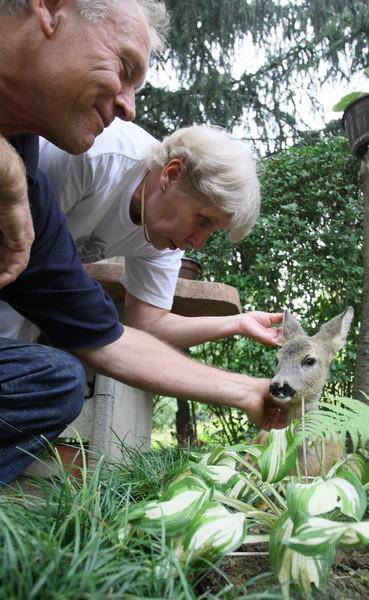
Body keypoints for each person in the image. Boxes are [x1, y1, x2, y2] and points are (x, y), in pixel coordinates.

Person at [0, 0, 285, 486]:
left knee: (54, 380)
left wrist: (243, 367)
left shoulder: (36, 181)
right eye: (124, 67)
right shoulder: (84, 153)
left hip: (25, 321)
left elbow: (125, 333)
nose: (129, 107)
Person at [1, 119, 282, 350]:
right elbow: (18, 244)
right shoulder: (95, 157)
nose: (198, 242)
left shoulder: (163, 232)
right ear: (171, 175)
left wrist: (236, 324)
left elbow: (149, 323)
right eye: (203, 220)